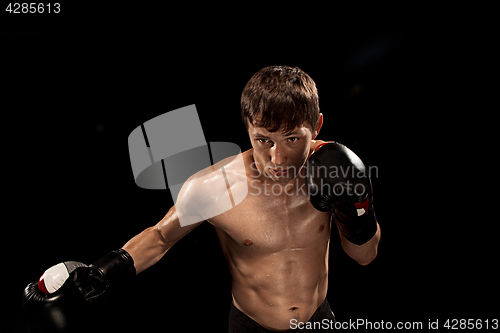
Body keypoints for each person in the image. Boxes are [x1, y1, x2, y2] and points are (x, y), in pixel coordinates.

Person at [23, 65, 381, 332]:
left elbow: (365, 256)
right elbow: (161, 236)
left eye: (292, 139)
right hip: (250, 326)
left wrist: (357, 207)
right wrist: (105, 270)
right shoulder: (214, 187)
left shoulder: (334, 169)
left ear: (316, 126)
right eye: (264, 140)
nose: (278, 159)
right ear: (247, 130)